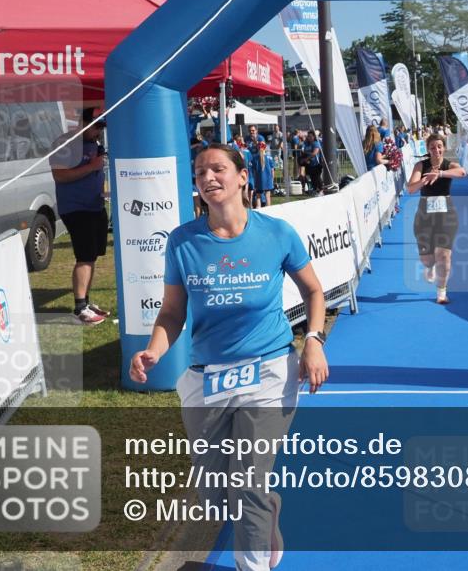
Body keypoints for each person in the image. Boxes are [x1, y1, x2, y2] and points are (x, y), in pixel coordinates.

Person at [129, 143, 328, 570]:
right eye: (200, 173)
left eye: (217, 169)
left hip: (270, 369)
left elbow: (314, 291)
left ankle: (252, 561)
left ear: (243, 176)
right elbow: (172, 312)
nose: (207, 178)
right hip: (208, 378)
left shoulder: (276, 233)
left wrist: (313, 339)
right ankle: (266, 509)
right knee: (217, 494)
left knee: (248, 482)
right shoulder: (183, 242)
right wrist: (153, 349)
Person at [49, 107, 110, 325]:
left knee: (92, 257)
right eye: (96, 126)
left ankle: (86, 301)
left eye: (102, 127)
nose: (99, 132)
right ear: (81, 123)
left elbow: (96, 173)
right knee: (84, 257)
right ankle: (79, 307)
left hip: (95, 206)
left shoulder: (94, 144)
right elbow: (60, 175)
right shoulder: (65, 144)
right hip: (76, 208)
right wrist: (91, 166)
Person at [406, 133, 466, 305]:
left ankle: (441, 293)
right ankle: (430, 267)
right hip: (424, 215)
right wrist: (425, 179)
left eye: (439, 146)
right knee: (428, 259)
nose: (436, 150)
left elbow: (462, 172)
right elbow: (410, 188)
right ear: (428, 149)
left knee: (444, 255)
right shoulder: (421, 165)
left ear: (444, 148)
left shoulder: (449, 165)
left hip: (446, 215)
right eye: (432, 147)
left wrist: (439, 174)